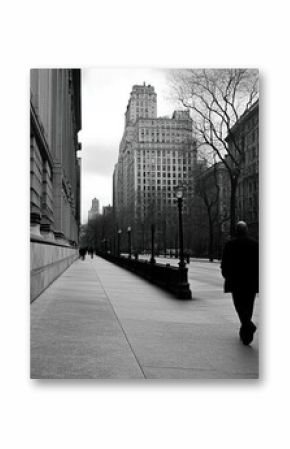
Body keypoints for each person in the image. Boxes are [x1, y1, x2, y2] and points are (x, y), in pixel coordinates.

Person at [221, 221, 259, 345]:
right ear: (246, 230)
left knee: (239, 305)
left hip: (235, 281)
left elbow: (224, 264)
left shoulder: (230, 244)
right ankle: (246, 333)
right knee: (249, 307)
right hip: (251, 282)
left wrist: (227, 276)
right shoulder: (255, 244)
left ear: (236, 231)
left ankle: (247, 328)